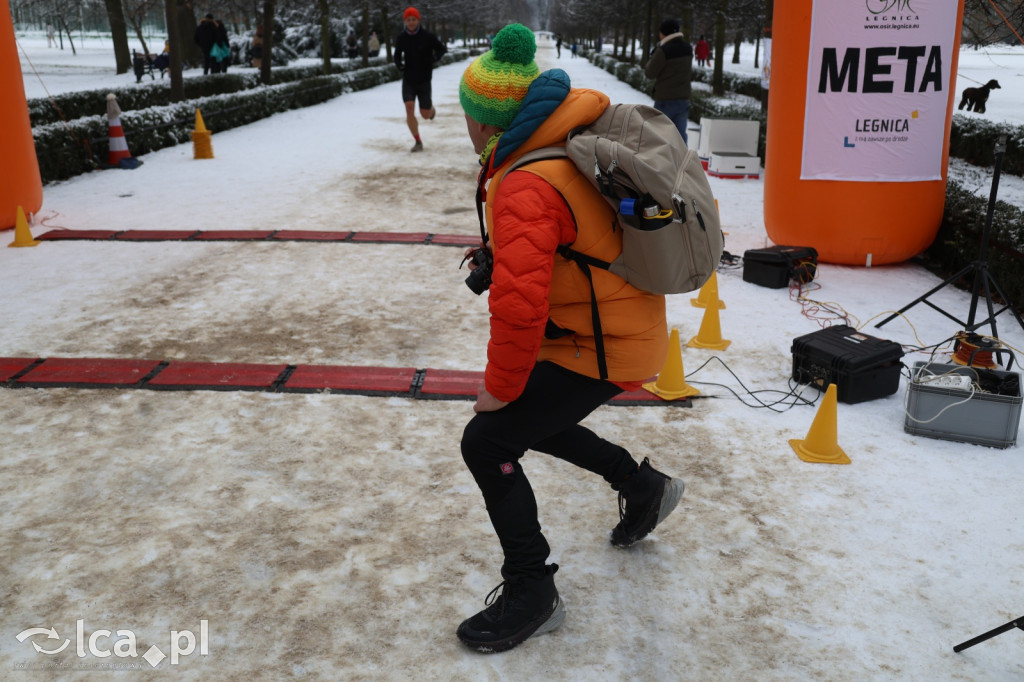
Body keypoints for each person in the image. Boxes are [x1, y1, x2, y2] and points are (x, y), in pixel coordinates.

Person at [454, 23, 684, 653]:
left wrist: (497, 390)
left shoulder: (526, 182)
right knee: (534, 421)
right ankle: (642, 486)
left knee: (489, 438)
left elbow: (520, 311)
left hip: (601, 340)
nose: (465, 127)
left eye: (468, 115)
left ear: (487, 121)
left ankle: (532, 588)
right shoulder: (549, 148)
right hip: (596, 326)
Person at [393, 6, 446, 153]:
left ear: (418, 20)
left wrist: (434, 58)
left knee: (425, 114)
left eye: (413, 19)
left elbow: (441, 49)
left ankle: (431, 109)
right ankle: (417, 142)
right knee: (409, 108)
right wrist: (399, 64)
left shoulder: (427, 36)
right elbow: (397, 55)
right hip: (409, 79)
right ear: (405, 21)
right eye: (408, 20)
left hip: (424, 79)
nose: (411, 22)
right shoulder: (402, 38)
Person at [645, 18, 693, 144]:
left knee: (659, 137)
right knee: (680, 137)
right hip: (683, 100)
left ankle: (660, 163)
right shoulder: (688, 48)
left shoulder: (663, 50)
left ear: (663, 33)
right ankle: (683, 162)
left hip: (665, 101)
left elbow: (650, 73)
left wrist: (655, 53)